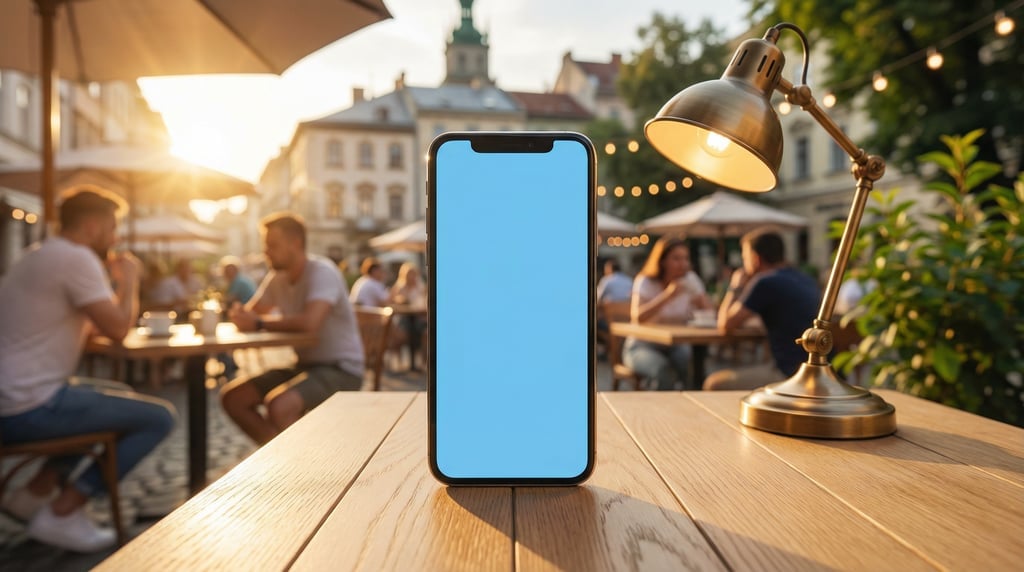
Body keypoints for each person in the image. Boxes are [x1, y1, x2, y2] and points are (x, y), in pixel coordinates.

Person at [0, 186, 175, 553]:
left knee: (118, 399)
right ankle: (63, 513)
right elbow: (117, 329)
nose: (116, 238)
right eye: (114, 228)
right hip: (26, 406)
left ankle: (35, 492)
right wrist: (129, 279)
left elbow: (91, 323)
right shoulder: (76, 259)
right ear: (94, 227)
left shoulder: (37, 254)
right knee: (159, 418)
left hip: (12, 397)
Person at [221, 213, 365, 444]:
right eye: (266, 245)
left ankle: (296, 468)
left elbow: (310, 323)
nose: (266, 251)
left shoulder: (322, 272)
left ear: (296, 243)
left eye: (273, 245)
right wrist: (241, 313)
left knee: (279, 406)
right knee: (233, 398)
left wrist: (258, 323)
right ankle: (282, 461)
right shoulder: (278, 276)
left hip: (341, 369)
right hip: (304, 365)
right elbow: (253, 311)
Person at [705, 228, 821, 390]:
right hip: (817, 371)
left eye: (744, 257)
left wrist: (734, 287)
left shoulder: (765, 282)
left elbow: (725, 326)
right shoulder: (805, 279)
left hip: (789, 374)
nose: (743, 263)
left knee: (714, 383)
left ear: (755, 259)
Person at [623, 237, 711, 390]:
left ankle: (690, 405)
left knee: (689, 367)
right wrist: (667, 296)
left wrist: (701, 300)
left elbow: (709, 313)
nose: (683, 264)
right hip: (642, 346)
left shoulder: (690, 279)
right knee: (663, 371)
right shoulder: (646, 281)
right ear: (662, 261)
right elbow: (637, 317)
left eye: (685, 258)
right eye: (676, 259)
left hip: (675, 344)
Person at [217, 255, 258, 378]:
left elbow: (230, 300)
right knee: (219, 329)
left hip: (247, 319)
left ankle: (227, 361)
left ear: (234, 270)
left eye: (228, 271)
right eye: (225, 271)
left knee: (219, 332)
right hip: (248, 316)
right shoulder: (240, 280)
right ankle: (229, 361)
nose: (226, 274)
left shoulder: (238, 282)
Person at [390, 262, 427, 370]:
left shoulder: (421, 286)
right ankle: (400, 362)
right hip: (403, 317)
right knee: (403, 332)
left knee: (424, 332)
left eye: (413, 273)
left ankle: (423, 362)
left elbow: (425, 303)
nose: (411, 276)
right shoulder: (399, 287)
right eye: (409, 274)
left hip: (419, 316)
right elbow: (392, 302)